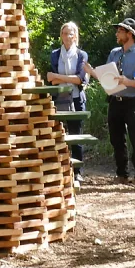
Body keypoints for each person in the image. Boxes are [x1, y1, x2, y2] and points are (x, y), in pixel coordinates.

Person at [105, 18, 135, 184]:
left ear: (130, 34)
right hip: (115, 101)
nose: (116, 33)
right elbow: (107, 77)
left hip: (134, 102)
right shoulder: (114, 53)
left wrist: (128, 81)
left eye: (120, 30)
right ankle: (122, 174)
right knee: (116, 140)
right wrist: (92, 72)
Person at [47, 21, 90, 184]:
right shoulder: (55, 54)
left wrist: (59, 77)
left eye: (70, 33)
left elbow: (79, 79)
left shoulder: (81, 55)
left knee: (75, 135)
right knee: (58, 133)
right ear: (61, 36)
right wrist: (63, 79)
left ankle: (78, 171)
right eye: (64, 33)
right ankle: (59, 168)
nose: (67, 36)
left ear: (75, 36)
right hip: (60, 98)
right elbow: (51, 81)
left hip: (77, 99)